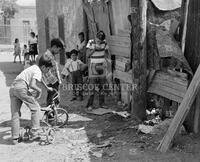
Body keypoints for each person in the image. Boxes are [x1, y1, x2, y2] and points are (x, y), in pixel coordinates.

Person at [10, 57, 53, 145]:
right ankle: (35, 131)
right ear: (44, 67)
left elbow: (40, 80)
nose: (48, 71)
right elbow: (32, 84)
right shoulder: (38, 71)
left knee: (15, 114)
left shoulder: (34, 68)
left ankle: (15, 138)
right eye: (48, 69)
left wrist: (46, 87)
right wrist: (39, 90)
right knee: (36, 108)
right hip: (21, 87)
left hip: (13, 87)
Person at [86, 30, 110, 110]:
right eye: (98, 40)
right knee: (92, 86)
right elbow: (87, 55)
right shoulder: (91, 42)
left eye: (101, 41)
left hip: (102, 66)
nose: (99, 42)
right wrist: (94, 49)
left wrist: (106, 60)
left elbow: (107, 53)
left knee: (102, 86)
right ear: (95, 37)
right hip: (93, 66)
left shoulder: (105, 43)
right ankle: (90, 105)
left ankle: (102, 103)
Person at [39, 38, 64, 106]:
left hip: (54, 81)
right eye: (58, 50)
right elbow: (47, 72)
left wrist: (59, 80)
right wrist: (56, 82)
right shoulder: (47, 56)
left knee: (54, 99)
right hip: (52, 82)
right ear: (54, 47)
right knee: (52, 100)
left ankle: (52, 114)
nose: (58, 52)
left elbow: (55, 69)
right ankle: (50, 115)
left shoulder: (51, 55)